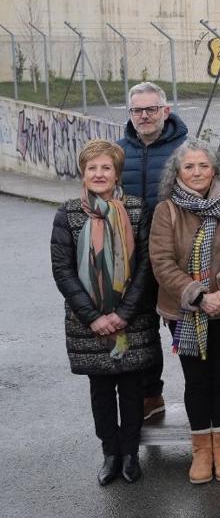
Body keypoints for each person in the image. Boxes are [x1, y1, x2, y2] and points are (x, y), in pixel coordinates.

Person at [50, 139, 161, 485]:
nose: (99, 174)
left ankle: (130, 454)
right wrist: (94, 316)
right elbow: (62, 269)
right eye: (92, 168)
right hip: (88, 321)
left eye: (106, 168)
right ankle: (109, 453)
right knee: (100, 390)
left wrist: (124, 313)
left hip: (131, 318)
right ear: (83, 174)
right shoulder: (68, 213)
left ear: (116, 174)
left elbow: (146, 266)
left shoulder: (138, 210)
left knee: (131, 388)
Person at [149, 140, 220, 484]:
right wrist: (200, 296)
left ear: (215, 169)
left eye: (203, 166)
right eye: (188, 167)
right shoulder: (167, 210)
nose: (197, 172)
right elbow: (161, 262)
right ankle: (201, 449)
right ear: (177, 173)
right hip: (184, 311)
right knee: (197, 380)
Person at [117, 81, 189, 422]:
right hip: (132, 261)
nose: (144, 116)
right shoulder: (117, 152)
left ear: (166, 111)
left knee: (184, 329)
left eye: (150, 109)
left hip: (176, 258)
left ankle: (199, 394)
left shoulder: (186, 150)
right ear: (130, 114)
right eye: (137, 110)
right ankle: (150, 395)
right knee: (141, 332)